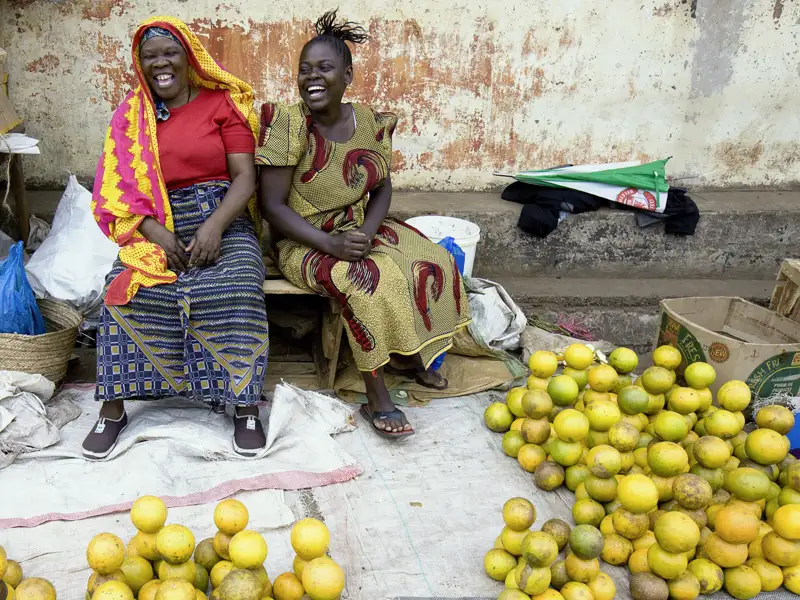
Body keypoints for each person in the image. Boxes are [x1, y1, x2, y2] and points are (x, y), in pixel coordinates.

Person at [257, 10, 470, 439]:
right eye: (304, 70)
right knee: (369, 282)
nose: (312, 78)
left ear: (348, 75)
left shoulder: (369, 122)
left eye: (324, 68)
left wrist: (368, 233)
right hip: (303, 241)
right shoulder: (288, 125)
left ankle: (413, 355)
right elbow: (272, 207)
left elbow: (383, 189)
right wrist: (331, 245)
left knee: (433, 260)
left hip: (358, 227)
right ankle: (377, 395)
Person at [85, 17, 269, 459]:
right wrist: (154, 233)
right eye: (150, 57)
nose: (160, 64)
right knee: (122, 294)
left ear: (189, 59)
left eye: (169, 53)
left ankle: (245, 405)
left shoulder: (222, 104)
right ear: (140, 64)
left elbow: (245, 177)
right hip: (155, 223)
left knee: (238, 287)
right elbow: (117, 189)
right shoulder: (131, 116)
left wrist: (214, 226)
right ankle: (112, 411)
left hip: (222, 216)